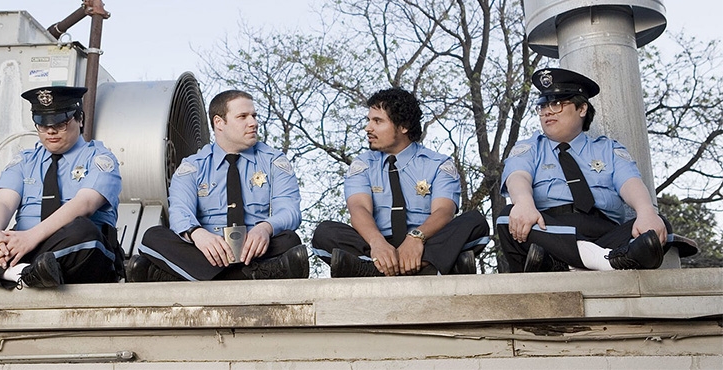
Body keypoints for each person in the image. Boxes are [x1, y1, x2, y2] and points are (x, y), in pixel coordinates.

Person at [0, 86, 123, 289]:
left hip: (72, 251)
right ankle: (18, 274)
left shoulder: (99, 159)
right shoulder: (25, 161)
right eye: (43, 125)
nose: (51, 131)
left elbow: (84, 203)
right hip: (23, 250)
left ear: (79, 119)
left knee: (84, 230)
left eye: (60, 123)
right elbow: (3, 203)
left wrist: (30, 238)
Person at [496, 67, 674, 272]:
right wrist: (524, 203)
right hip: (551, 229)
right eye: (543, 106)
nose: (547, 112)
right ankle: (608, 260)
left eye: (557, 104)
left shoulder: (608, 148)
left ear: (582, 109)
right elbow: (517, 176)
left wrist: (646, 212)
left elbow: (630, 182)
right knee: (508, 216)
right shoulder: (530, 147)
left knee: (659, 228)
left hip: (604, 232)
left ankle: (569, 263)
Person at [127, 90, 308, 281]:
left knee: (290, 240)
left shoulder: (274, 161)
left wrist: (265, 228)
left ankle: (179, 275)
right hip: (206, 251)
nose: (253, 123)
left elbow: (290, 211)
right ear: (219, 123)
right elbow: (181, 212)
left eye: (254, 116)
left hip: (254, 249)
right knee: (153, 237)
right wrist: (198, 234)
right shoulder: (193, 166)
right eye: (242, 117)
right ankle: (251, 274)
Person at [312, 87, 490, 277]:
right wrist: (377, 243)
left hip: (425, 243)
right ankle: (415, 267)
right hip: (376, 244)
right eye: (369, 120)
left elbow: (444, 212)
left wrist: (416, 238)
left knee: (475, 222)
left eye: (377, 121)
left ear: (403, 126)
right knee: (325, 232)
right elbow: (359, 209)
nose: (368, 128)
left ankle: (410, 265)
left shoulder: (438, 164)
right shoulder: (362, 164)